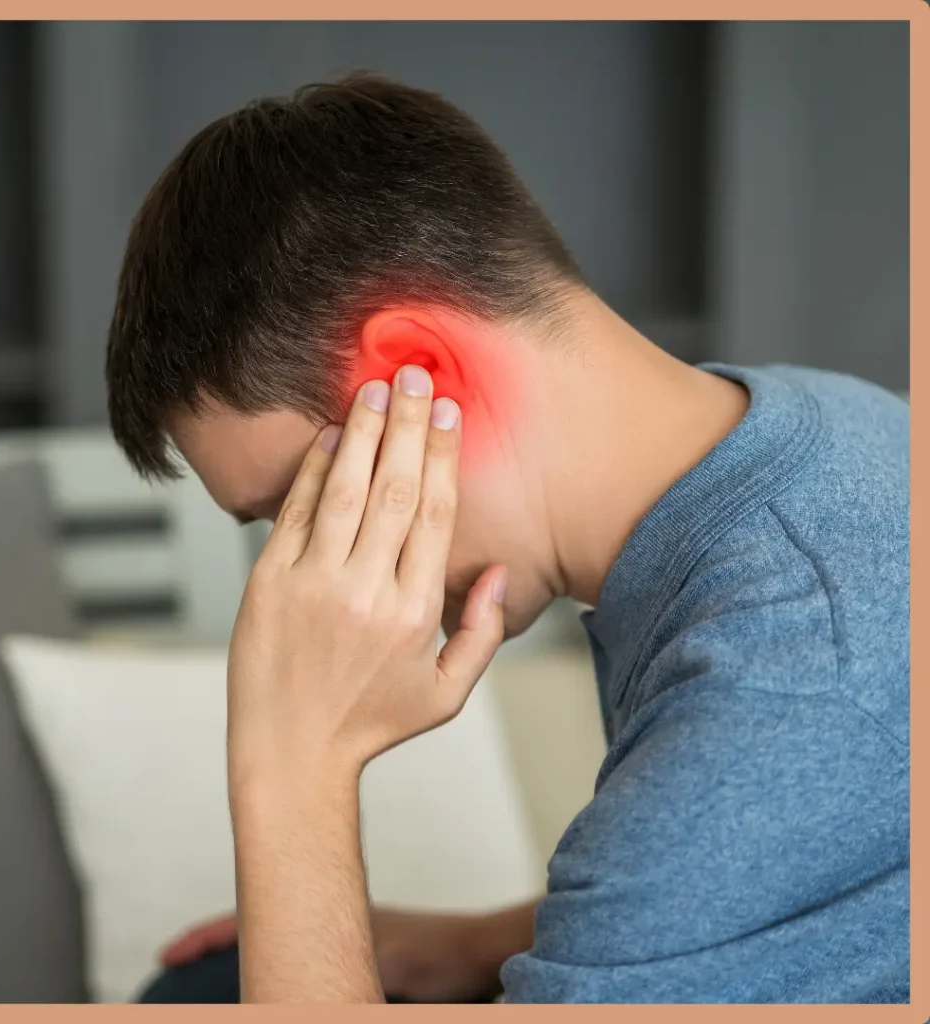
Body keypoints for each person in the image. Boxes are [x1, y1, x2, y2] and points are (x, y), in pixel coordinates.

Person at [106, 72, 909, 1003]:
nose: (308, 577)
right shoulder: (830, 419)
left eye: (299, 507)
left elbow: (748, 790)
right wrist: (483, 944)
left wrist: (291, 769)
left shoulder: (774, 685)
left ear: (418, 373)